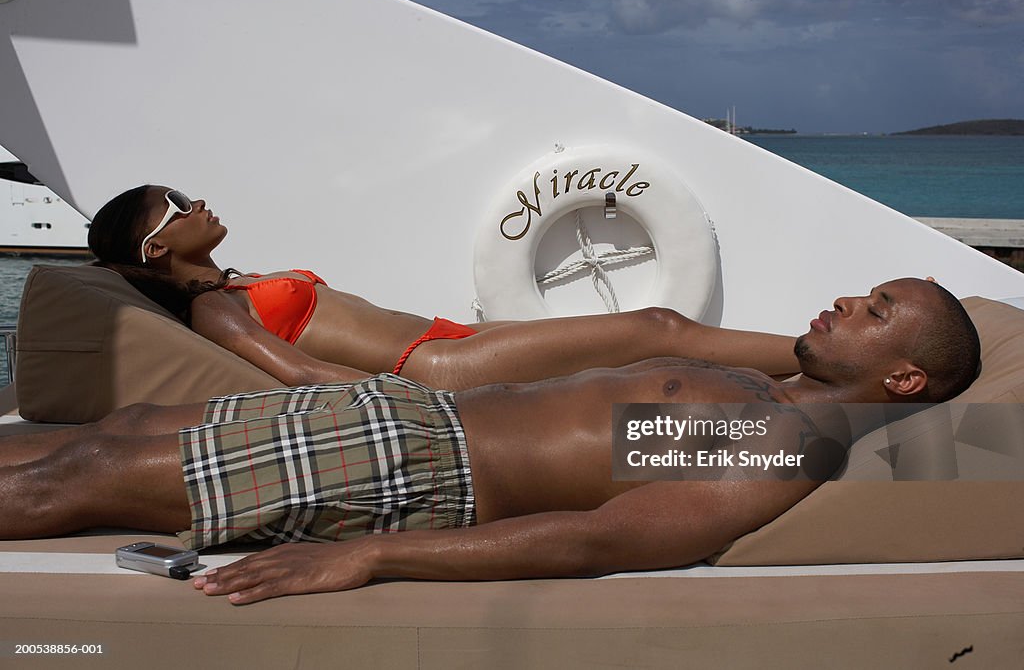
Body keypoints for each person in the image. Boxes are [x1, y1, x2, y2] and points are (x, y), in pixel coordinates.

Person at [0, 278, 980, 605]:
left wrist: (371, 551)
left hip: (407, 463)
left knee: (79, 477)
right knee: (112, 433)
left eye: (875, 308)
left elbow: (613, 534)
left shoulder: (789, 434)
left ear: (902, 378)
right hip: (399, 417)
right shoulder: (770, 388)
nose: (848, 299)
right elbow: (663, 337)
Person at [87, 185, 800, 389]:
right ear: (157, 247)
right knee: (656, 329)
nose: (199, 201)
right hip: (431, 366)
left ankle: (806, 366)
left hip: (450, 340)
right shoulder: (214, 307)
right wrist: (410, 405)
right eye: (180, 205)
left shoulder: (234, 282)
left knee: (648, 344)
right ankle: (816, 354)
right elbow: (297, 371)